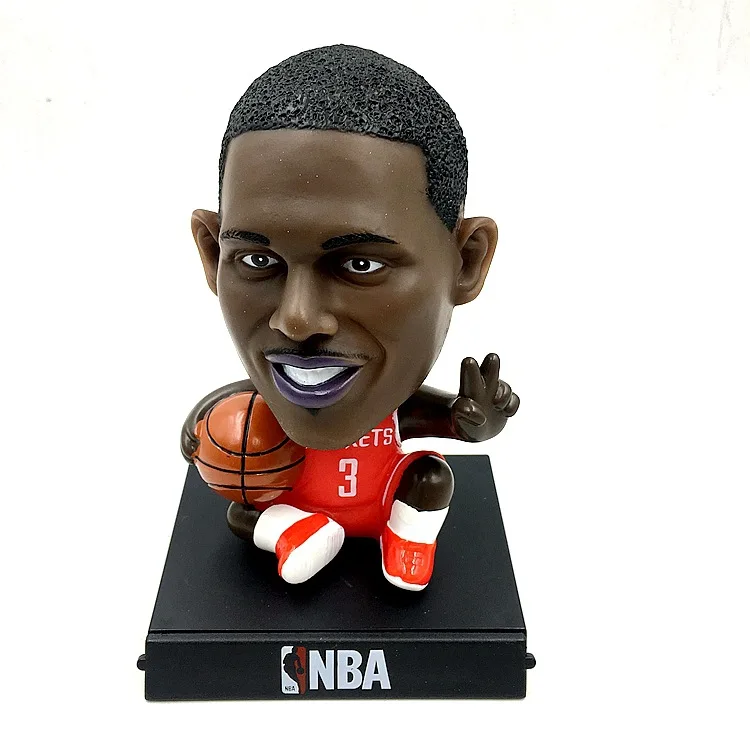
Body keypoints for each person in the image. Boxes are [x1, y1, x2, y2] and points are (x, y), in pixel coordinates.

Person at [182, 45, 519, 591]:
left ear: (467, 262)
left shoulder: (391, 405)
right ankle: (296, 532)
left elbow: (453, 424)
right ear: (211, 252)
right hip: (294, 500)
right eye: (258, 261)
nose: (297, 320)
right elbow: (220, 414)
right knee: (246, 510)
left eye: (361, 265)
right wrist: (203, 431)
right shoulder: (258, 413)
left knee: (429, 476)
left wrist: (477, 419)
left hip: (381, 495)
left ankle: (408, 539)